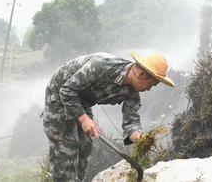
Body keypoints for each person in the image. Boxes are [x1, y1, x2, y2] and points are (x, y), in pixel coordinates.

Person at [42, 51, 175, 181]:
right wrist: (84, 119)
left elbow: (131, 122)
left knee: (85, 145)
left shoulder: (132, 93)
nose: (149, 89)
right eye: (151, 84)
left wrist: (140, 138)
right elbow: (66, 90)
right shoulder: (101, 65)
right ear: (141, 74)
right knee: (67, 148)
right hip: (59, 95)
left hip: (82, 100)